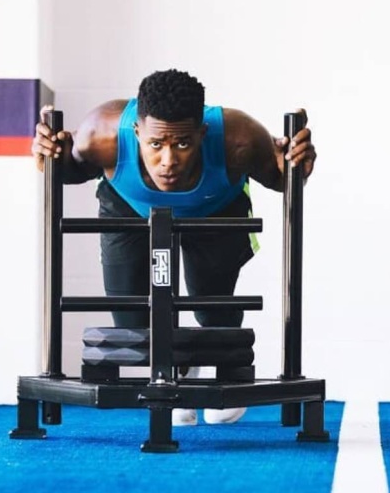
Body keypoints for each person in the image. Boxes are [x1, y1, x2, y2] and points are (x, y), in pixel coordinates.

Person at [32, 69, 316, 426]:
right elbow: (70, 169)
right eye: (155, 145)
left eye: (182, 144)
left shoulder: (239, 138)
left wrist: (298, 164)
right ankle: (180, 372)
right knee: (134, 326)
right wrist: (49, 153)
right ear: (136, 132)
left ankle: (221, 373)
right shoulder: (100, 134)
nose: (168, 161)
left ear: (202, 133)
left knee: (210, 303)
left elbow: (280, 178)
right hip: (128, 204)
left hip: (215, 204)